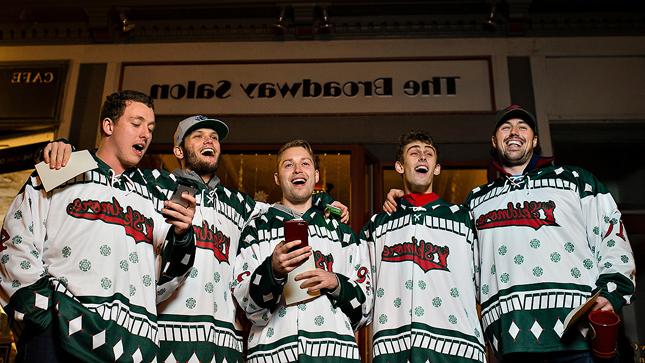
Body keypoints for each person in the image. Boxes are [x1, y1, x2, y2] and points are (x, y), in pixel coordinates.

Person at [41, 117, 349, 362]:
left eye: (214, 137)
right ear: (178, 151)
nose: (209, 141)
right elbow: (110, 169)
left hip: (223, 344)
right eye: (198, 136)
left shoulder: (238, 204)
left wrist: (324, 203)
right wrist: (63, 150)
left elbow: (289, 204)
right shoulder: (150, 186)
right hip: (164, 337)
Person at [0, 90, 197, 362]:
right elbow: (16, 237)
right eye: (136, 123)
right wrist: (41, 312)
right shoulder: (64, 167)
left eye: (150, 128)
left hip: (129, 346)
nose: (145, 134)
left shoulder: (154, 192)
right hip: (57, 333)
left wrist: (183, 234)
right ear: (108, 126)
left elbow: (170, 277)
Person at [463, 105, 636, 362]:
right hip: (513, 341)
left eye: (523, 127)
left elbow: (612, 237)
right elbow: (460, 264)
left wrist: (611, 294)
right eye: (505, 127)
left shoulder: (576, 180)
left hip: (579, 334)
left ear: (534, 140)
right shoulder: (476, 201)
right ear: (494, 140)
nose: (514, 132)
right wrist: (402, 203)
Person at [232, 140, 372, 362]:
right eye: (288, 165)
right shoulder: (256, 230)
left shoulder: (342, 233)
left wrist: (336, 283)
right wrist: (272, 271)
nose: (297, 169)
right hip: (272, 355)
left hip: (334, 355)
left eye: (305, 163)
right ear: (277, 179)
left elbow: (366, 308)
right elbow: (248, 306)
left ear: (316, 175)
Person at [362, 131, 486, 362]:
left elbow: (486, 281)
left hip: (458, 350)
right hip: (394, 351)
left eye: (428, 154)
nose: (422, 158)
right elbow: (362, 294)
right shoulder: (378, 226)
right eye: (414, 153)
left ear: (436, 168)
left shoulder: (464, 219)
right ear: (399, 167)